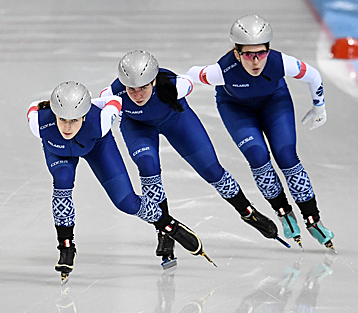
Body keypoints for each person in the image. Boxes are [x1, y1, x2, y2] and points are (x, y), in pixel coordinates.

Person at [100, 50, 284, 267]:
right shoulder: (111, 94)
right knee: (147, 165)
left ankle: (247, 212)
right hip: (137, 127)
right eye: (131, 89)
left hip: (176, 120)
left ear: (154, 81)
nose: (137, 95)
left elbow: (189, 81)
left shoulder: (173, 85)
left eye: (143, 88)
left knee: (213, 171)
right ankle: (165, 230)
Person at [27, 81, 213, 280]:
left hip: (97, 145)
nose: (67, 127)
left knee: (126, 202)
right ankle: (66, 247)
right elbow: (34, 106)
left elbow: (114, 100)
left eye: (74, 120)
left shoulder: (101, 120)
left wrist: (91, 103)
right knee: (62, 179)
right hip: (59, 152)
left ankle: (169, 226)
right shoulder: (38, 123)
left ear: (83, 115)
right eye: (62, 119)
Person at [186, 15, 335, 251]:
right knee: (258, 157)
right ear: (237, 53)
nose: (255, 61)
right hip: (235, 108)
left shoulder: (281, 62)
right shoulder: (221, 71)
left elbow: (313, 76)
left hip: (274, 101)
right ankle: (283, 211)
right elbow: (191, 75)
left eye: (261, 53)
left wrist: (319, 107)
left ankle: (312, 219)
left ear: (269, 49)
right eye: (247, 54)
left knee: (286, 155)